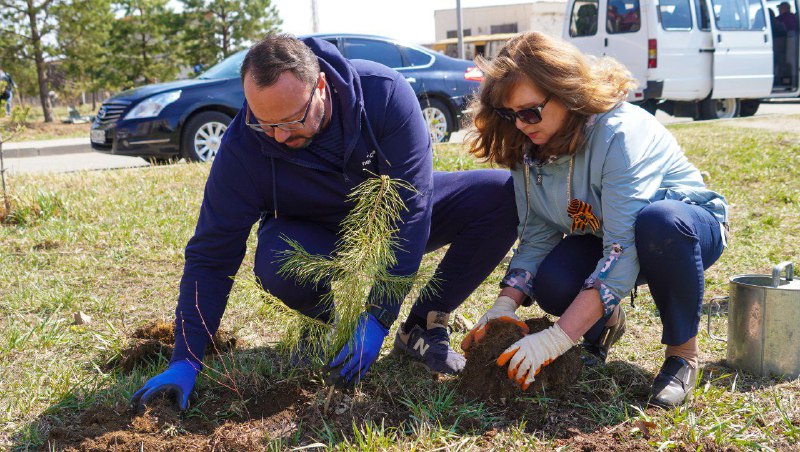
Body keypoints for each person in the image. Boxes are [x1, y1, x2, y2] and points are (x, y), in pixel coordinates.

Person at [131, 34, 518, 411]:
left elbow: (411, 208)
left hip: (389, 215)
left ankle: (421, 325)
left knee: (503, 195)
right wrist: (185, 359)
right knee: (276, 258)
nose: (278, 136)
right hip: (317, 234)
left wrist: (379, 316)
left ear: (319, 86)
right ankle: (330, 325)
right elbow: (211, 255)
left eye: (292, 120)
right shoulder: (242, 150)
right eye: (264, 123)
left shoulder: (382, 94)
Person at [460, 32, 728, 408]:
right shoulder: (530, 147)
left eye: (530, 112)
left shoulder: (619, 133)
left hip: (681, 230)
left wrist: (558, 337)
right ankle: (606, 321)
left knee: (659, 222)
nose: (520, 125)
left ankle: (682, 355)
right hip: (606, 235)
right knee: (552, 283)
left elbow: (624, 247)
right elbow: (537, 235)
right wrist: (504, 306)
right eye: (510, 114)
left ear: (565, 91)